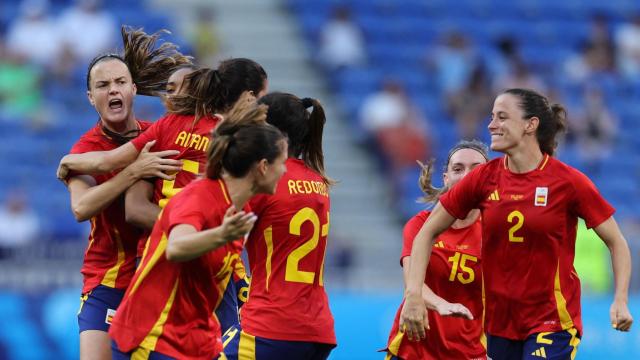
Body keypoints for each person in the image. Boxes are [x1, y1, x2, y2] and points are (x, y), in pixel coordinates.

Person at [400, 88, 633, 360]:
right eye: (491, 117)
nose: (491, 125)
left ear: (530, 125)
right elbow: (426, 231)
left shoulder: (568, 182)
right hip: (500, 324)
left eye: (501, 117)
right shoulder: (485, 178)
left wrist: (620, 299)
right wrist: (414, 293)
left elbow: (617, 241)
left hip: (551, 320)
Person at [109, 101, 288, 360]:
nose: (284, 170)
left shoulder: (238, 210)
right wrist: (221, 235)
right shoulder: (200, 195)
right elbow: (177, 247)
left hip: (197, 340)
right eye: (282, 162)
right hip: (153, 338)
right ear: (262, 167)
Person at [64, 27, 190, 360]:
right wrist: (134, 171)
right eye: (102, 86)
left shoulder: (161, 135)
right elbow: (81, 208)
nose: (113, 90)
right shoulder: (86, 150)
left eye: (120, 82)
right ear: (91, 98)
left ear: (133, 89)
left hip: (159, 278)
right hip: (107, 281)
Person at [223, 93, 336, 359]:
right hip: (317, 330)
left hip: (272, 324)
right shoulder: (318, 181)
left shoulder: (267, 178)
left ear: (276, 134)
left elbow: (221, 229)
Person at [384, 140, 488, 360]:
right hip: (413, 351)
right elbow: (413, 283)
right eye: (458, 169)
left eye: (476, 169)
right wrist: (442, 305)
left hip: (469, 352)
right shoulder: (420, 225)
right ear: (446, 178)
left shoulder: (496, 232)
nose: (466, 175)